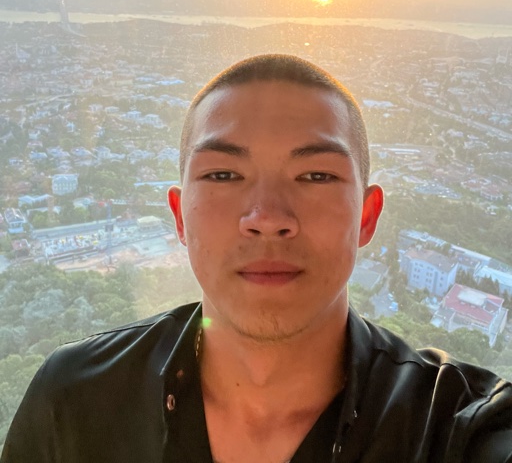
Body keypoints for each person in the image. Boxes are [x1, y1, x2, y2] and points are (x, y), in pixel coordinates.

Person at [2, 54, 512, 463]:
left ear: (367, 216)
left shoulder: (454, 429)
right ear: (179, 217)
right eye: (223, 175)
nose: (267, 217)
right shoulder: (74, 403)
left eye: (316, 176)